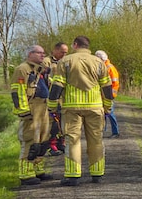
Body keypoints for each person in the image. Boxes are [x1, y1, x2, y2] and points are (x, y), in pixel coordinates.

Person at [49, 35, 113, 186]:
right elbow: (107, 87)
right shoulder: (99, 62)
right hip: (95, 107)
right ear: (88, 46)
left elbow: (57, 85)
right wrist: (107, 106)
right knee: (96, 140)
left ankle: (73, 175)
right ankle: (97, 174)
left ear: (75, 45)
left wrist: (52, 105)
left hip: (72, 107)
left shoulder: (66, 61)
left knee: (73, 141)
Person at [11, 44, 55, 185]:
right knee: (30, 141)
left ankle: (38, 170)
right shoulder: (22, 69)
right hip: (31, 110)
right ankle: (26, 174)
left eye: (43, 53)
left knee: (42, 142)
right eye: (39, 53)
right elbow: (18, 92)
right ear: (30, 54)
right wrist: (24, 111)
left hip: (43, 108)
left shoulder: (40, 70)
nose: (42, 55)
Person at [40, 42, 69, 155]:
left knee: (63, 122)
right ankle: (52, 145)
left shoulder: (66, 61)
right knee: (53, 123)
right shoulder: (47, 62)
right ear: (55, 50)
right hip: (51, 96)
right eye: (62, 52)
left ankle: (61, 143)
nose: (64, 54)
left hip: (63, 98)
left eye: (66, 52)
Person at [95, 50, 121, 138]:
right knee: (103, 113)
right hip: (103, 94)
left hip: (108, 94)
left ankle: (115, 132)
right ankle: (101, 131)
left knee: (110, 113)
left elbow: (115, 82)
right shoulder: (103, 67)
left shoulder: (109, 68)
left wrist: (111, 94)